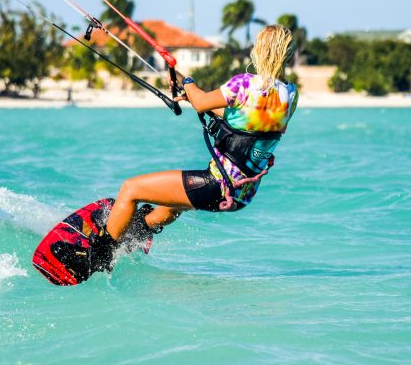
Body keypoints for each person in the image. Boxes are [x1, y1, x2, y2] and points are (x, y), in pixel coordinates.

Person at [96, 24, 299, 260]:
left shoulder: (245, 83)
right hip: (242, 194)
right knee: (172, 203)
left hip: (216, 184)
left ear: (259, 51)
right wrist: (191, 95)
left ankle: (101, 253)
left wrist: (189, 82)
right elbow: (248, 120)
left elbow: (203, 102)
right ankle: (137, 232)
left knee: (131, 189)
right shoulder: (290, 95)